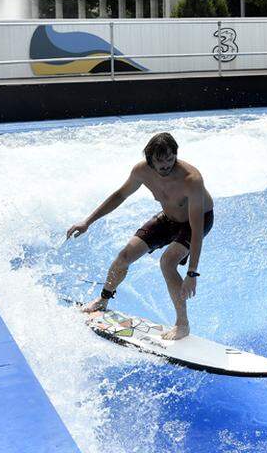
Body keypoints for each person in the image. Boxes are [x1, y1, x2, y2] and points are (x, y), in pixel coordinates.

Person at [67, 132, 214, 341]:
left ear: (176, 155)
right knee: (124, 256)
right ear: (149, 160)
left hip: (195, 222)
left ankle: (183, 325)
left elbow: (197, 231)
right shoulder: (141, 171)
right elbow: (120, 195)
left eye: (170, 159)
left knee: (167, 262)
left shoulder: (191, 180)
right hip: (168, 218)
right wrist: (87, 222)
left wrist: (192, 273)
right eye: (160, 162)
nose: (166, 166)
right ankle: (103, 299)